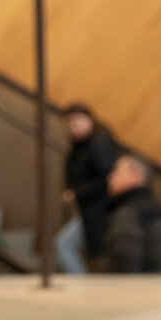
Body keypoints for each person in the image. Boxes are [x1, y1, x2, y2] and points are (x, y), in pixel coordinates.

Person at [54, 103, 116, 274]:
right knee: (65, 245)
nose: (74, 127)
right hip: (90, 210)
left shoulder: (97, 144)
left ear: (90, 120)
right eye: (70, 123)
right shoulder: (80, 146)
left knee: (64, 245)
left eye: (78, 122)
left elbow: (107, 177)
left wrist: (76, 192)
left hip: (100, 210)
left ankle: (82, 287)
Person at [104, 154, 161, 273]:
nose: (110, 177)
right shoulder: (160, 209)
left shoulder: (127, 213)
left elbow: (125, 268)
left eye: (117, 171)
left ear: (135, 175)